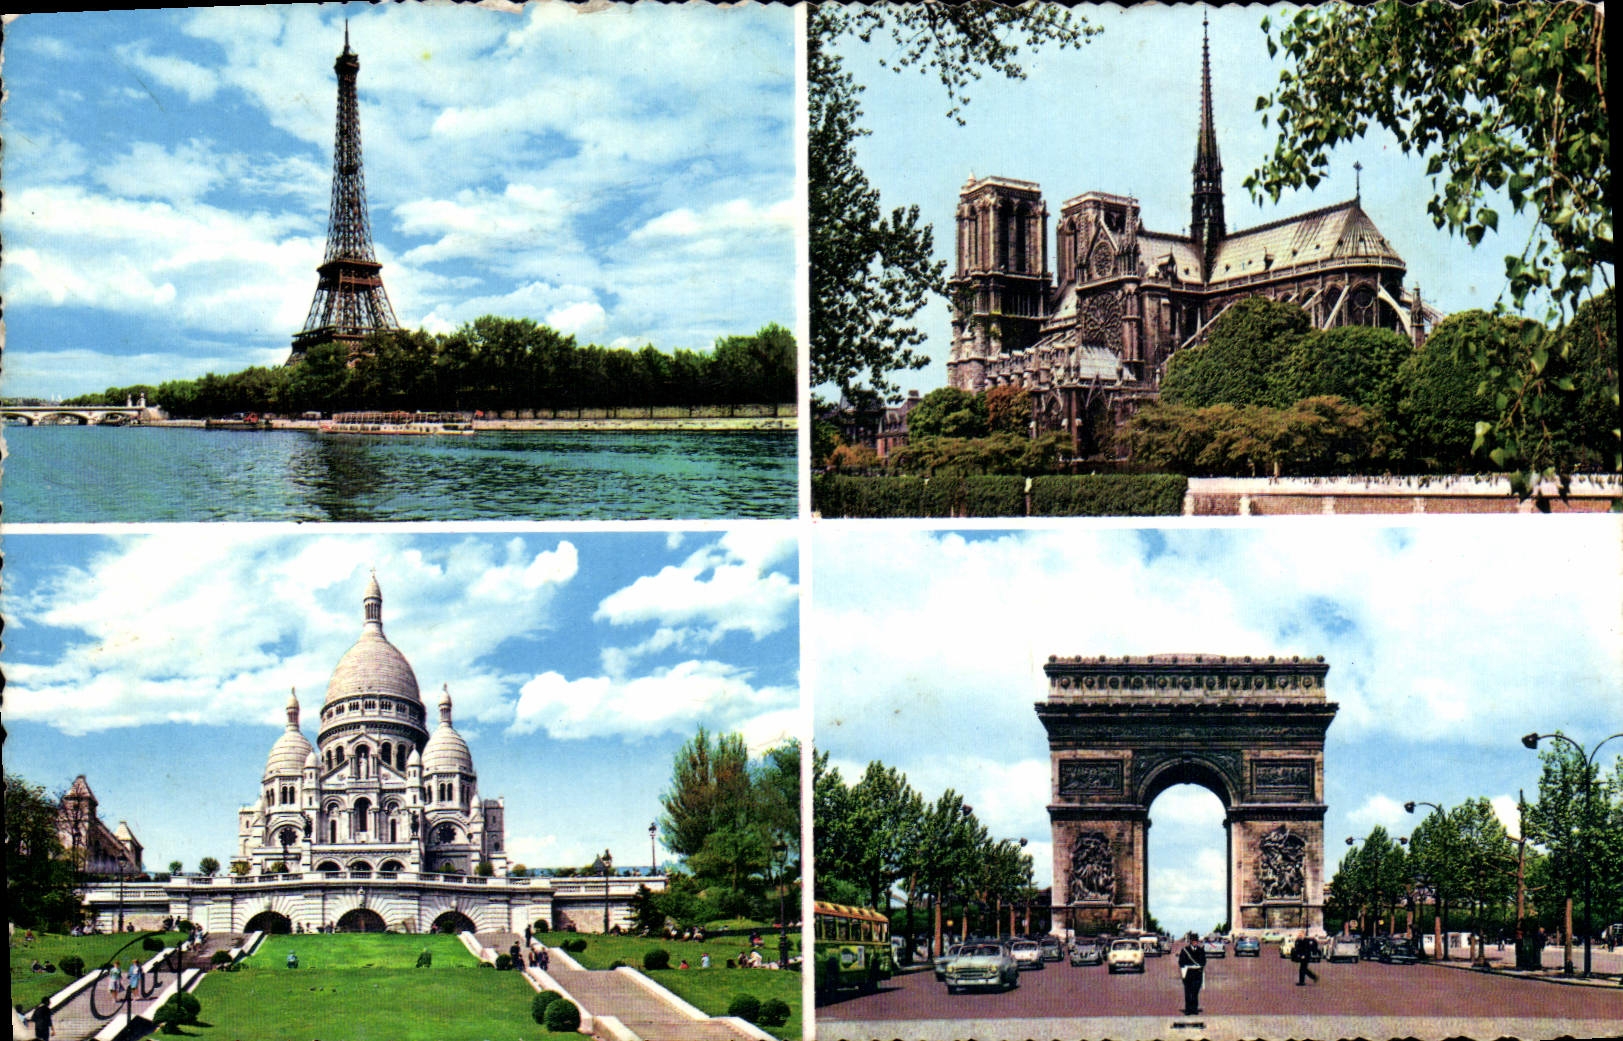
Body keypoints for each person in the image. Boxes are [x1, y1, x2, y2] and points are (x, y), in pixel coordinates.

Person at [1177, 933, 1206, 1015]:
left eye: (1196, 941)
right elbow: (1181, 962)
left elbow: (1204, 961)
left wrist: (1199, 966)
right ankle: (1188, 1009)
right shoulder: (1185, 950)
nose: (1195, 942)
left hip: (1197, 973)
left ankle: (1194, 1009)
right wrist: (1186, 966)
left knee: (1195, 992)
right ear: (1190, 941)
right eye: (1193, 941)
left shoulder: (1201, 950)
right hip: (1188, 973)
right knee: (1188, 992)